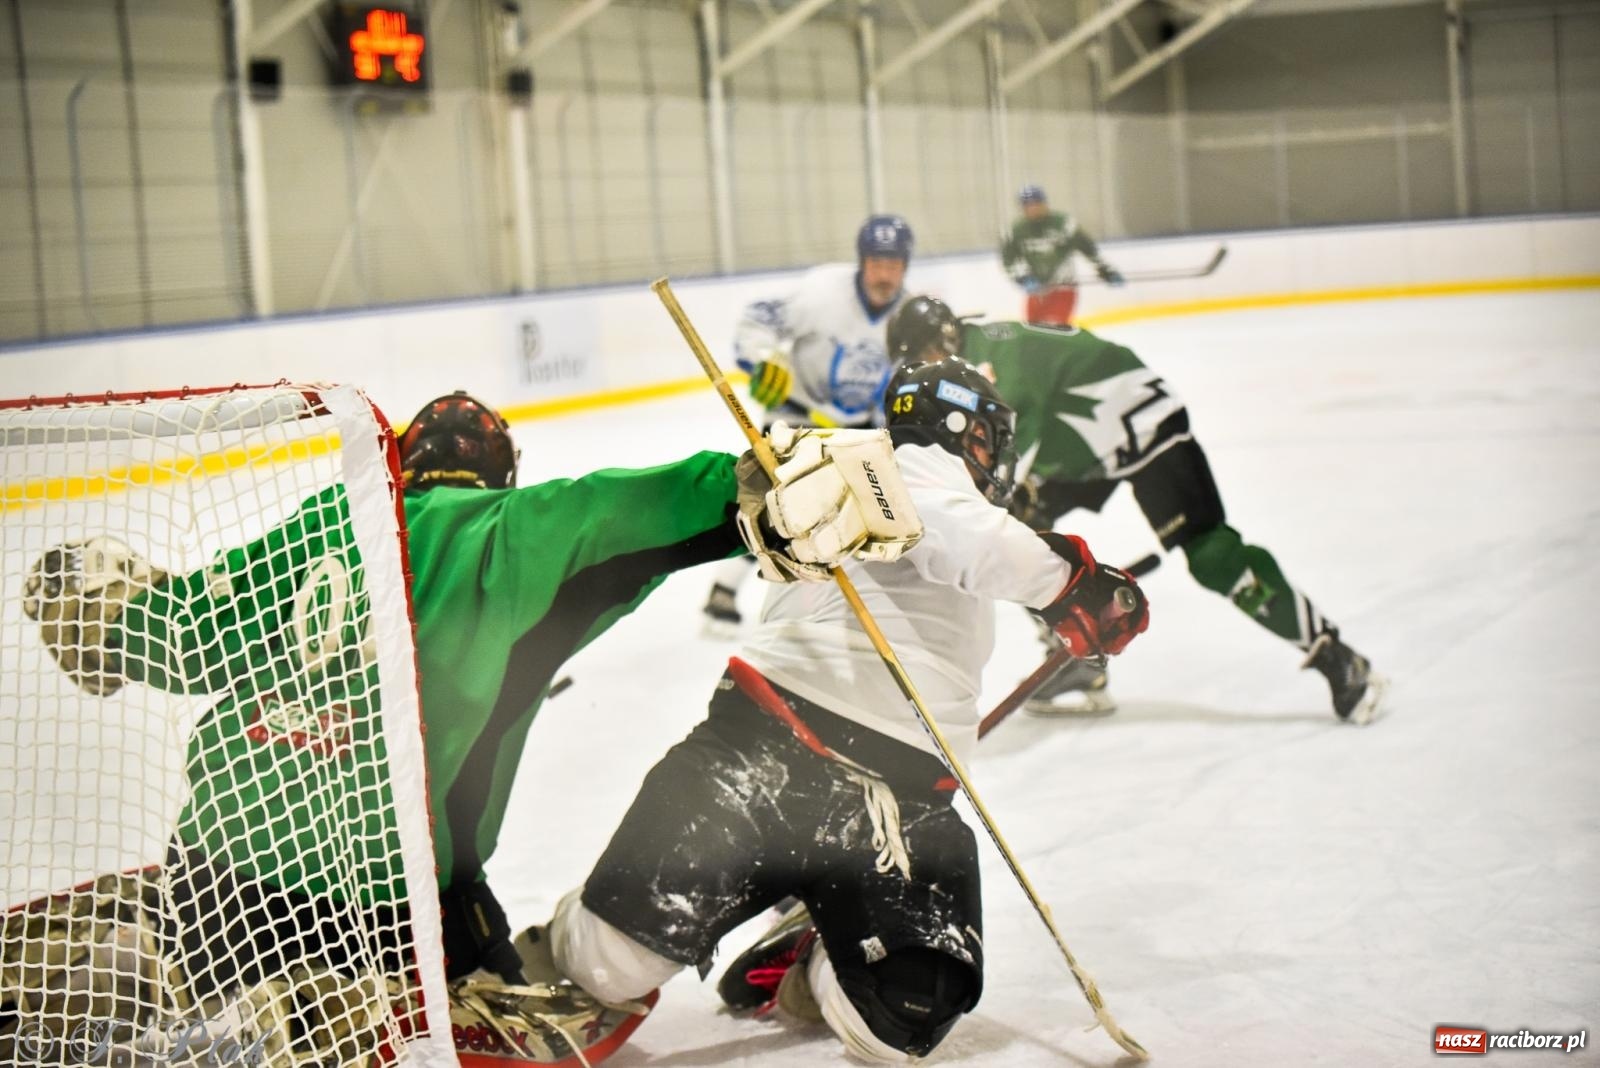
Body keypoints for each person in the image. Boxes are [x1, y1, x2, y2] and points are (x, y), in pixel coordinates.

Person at [14, 391, 923, 1067]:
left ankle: (182, 983)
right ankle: (315, 1018)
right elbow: (622, 511)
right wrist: (760, 488)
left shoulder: (311, 531)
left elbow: (178, 631)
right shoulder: (507, 530)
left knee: (229, 940)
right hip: (381, 906)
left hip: (208, 882)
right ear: (502, 473)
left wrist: (102, 607)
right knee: (486, 982)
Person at [540, 361, 1149, 1064]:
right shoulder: (889, 469)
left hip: (900, 803)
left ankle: (824, 942)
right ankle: (529, 947)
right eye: (989, 439)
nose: (995, 460)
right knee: (603, 967)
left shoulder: (942, 509)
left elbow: (966, 542)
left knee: (902, 1024)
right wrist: (1074, 581)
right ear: (960, 427)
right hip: (763, 757)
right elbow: (953, 533)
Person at [885, 297, 1388, 724]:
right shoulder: (973, 356)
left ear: (947, 337)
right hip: (1084, 447)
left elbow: (1012, 431)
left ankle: (1335, 655)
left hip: (1143, 429)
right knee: (1018, 530)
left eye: (926, 352)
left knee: (1211, 555)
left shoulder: (987, 357)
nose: (927, 363)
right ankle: (1077, 662)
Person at [702, 214, 916, 631]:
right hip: (794, 417)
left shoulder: (908, 314)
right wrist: (765, 360)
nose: (884, 274)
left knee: (853, 522)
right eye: (877, 262)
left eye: (893, 264)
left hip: (856, 429)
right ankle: (723, 588)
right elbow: (758, 319)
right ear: (862, 261)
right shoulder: (822, 292)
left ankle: (832, 610)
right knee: (772, 512)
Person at [1000, 184, 1122, 328]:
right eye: (1027, 205)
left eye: (1036, 203)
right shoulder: (1014, 231)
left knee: (1057, 329)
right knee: (1033, 330)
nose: (1032, 208)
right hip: (1037, 291)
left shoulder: (1064, 225)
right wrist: (1023, 278)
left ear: (1044, 203)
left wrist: (1105, 270)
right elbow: (1009, 259)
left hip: (1064, 287)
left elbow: (1088, 249)